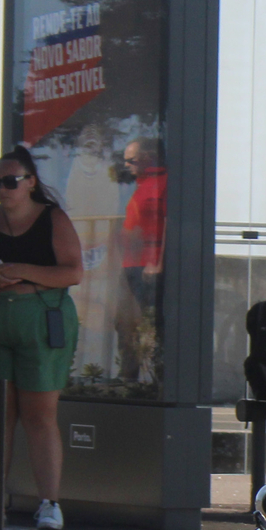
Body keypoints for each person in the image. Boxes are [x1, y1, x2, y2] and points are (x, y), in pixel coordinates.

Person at [0, 146, 84, 529]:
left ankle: (50, 503)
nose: (2, 189)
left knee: (39, 415)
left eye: (10, 181)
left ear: (30, 183)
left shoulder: (53, 219)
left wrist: (22, 270)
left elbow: (73, 272)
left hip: (39, 322)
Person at [115, 137, 166, 386]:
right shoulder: (140, 185)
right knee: (124, 322)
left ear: (148, 157)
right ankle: (128, 379)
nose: (127, 165)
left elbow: (169, 223)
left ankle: (157, 380)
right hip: (129, 264)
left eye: (131, 160)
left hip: (148, 265)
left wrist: (158, 262)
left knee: (150, 324)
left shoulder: (163, 184)